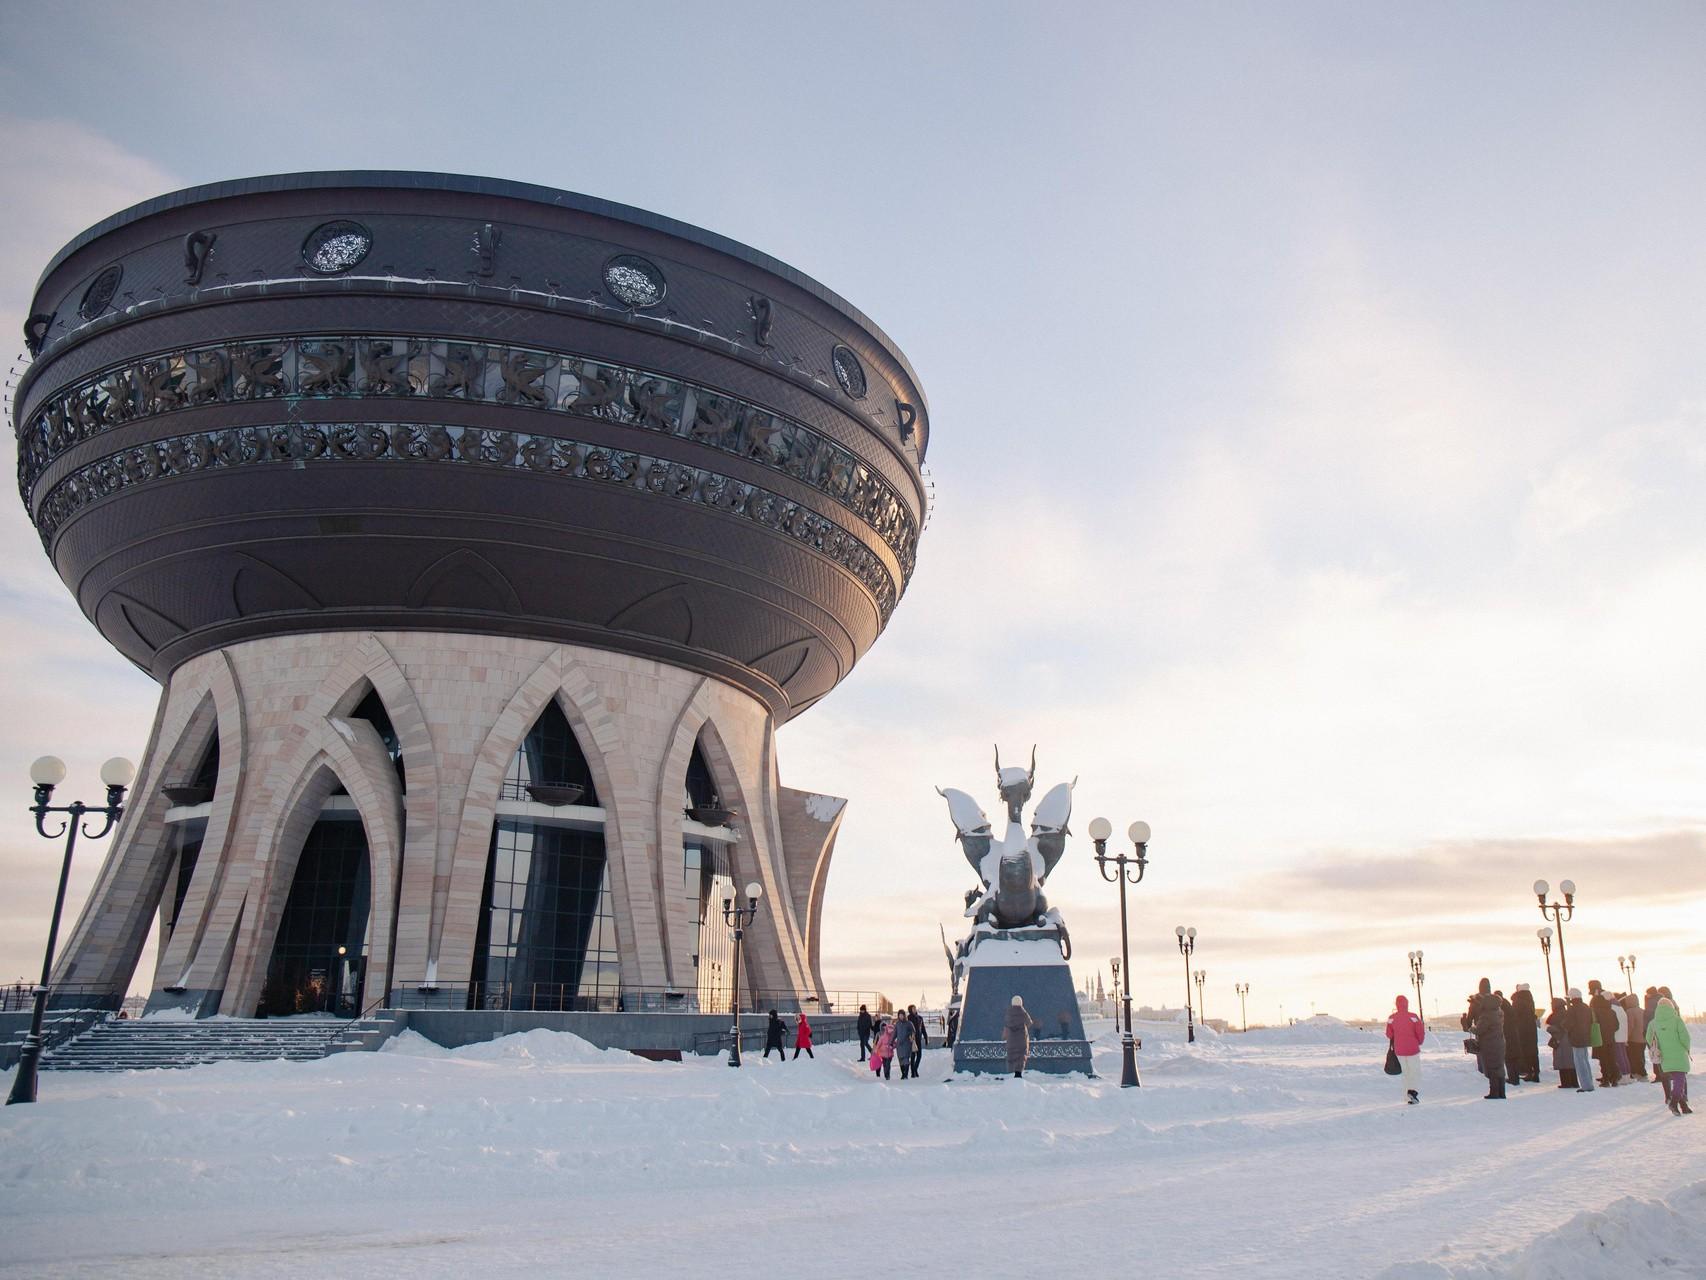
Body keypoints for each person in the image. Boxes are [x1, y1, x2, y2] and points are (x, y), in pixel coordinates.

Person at [1646, 996, 1692, 1116]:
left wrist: (1658, 1045)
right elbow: (1685, 1038)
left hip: (1664, 1056)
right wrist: (1686, 1048)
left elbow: (1648, 1038)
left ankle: (1684, 1106)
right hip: (1679, 1055)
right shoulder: (1677, 1020)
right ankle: (1674, 1102)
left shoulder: (1653, 1022)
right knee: (1680, 1080)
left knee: (1677, 1080)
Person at [1463, 979, 1507, 1099]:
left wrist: (1471, 1028)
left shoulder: (1486, 1015)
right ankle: (1502, 1092)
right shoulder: (1499, 1011)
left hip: (1489, 1043)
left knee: (1492, 1067)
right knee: (1499, 1066)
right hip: (1499, 1041)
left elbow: (1479, 1030)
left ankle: (1494, 1092)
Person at [1385, 993, 1426, 1104]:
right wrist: (1419, 1042)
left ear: (1396, 1004)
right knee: (1415, 1071)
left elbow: (1388, 1034)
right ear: (1406, 1004)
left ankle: (1407, 1097)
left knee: (1406, 1073)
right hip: (1413, 1048)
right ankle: (1413, 1092)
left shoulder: (1391, 1018)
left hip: (1399, 1050)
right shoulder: (1413, 1016)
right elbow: (1420, 1032)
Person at [1588, 981, 1621, 1086]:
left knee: (1603, 1059)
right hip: (1610, 1038)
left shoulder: (1595, 1012)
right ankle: (1614, 1079)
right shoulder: (1612, 1011)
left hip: (1600, 1038)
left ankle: (1606, 1078)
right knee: (1611, 1058)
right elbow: (1617, 1026)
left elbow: (1592, 1024)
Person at [1565, 988, 1595, 1092]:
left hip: (1576, 1038)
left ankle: (1586, 1085)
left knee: (1579, 1062)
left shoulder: (1572, 1009)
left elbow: (1568, 1024)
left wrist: (1564, 1025)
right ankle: (1589, 1083)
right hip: (1586, 1036)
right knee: (1585, 1061)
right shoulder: (1586, 1007)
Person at [1004, 995, 1038, 1078]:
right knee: (1021, 1055)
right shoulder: (1023, 1012)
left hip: (1011, 1039)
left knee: (1012, 1054)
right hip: (1021, 1038)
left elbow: (1007, 1024)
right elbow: (1029, 1022)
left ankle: (1011, 1071)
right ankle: (1018, 1073)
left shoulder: (1008, 1013)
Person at [1511, 984, 1540, 1082]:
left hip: (1522, 1028)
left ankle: (1529, 1072)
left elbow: (1514, 1014)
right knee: (1533, 1051)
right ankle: (1536, 1072)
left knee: (1525, 1051)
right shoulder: (1530, 999)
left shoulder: (1518, 1000)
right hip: (1531, 1028)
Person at [1545, 996, 1576, 1089]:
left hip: (1560, 1040)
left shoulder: (1555, 1016)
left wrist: (1549, 1029)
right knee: (1570, 1061)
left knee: (1562, 1061)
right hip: (1569, 1039)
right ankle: (1574, 1082)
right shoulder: (1567, 1013)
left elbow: (1555, 1028)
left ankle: (1566, 1083)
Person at [1623, 993, 1647, 1079]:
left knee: (1634, 1057)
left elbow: (1630, 1026)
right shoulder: (1642, 1011)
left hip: (1634, 1039)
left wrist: (1626, 1038)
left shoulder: (1629, 1012)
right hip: (1643, 1038)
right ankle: (1641, 1072)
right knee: (1641, 1056)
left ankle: (1640, 1073)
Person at [890, 1007, 916, 1079]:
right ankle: (903, 1073)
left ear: (904, 1015)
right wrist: (891, 1042)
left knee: (906, 1059)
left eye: (902, 1015)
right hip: (899, 1045)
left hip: (907, 1043)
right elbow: (894, 1034)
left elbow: (913, 1031)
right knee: (900, 1060)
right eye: (899, 1015)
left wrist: (911, 1036)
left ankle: (905, 1075)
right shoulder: (897, 1024)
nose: (901, 1016)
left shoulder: (908, 1023)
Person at [907, 1005, 928, 1077]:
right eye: (913, 1008)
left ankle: (915, 1069)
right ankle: (913, 1073)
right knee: (912, 1056)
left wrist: (926, 1037)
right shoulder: (908, 1018)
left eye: (915, 1008)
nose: (915, 1009)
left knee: (919, 1055)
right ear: (910, 1010)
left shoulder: (920, 1018)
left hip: (919, 1039)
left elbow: (923, 1029)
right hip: (912, 1039)